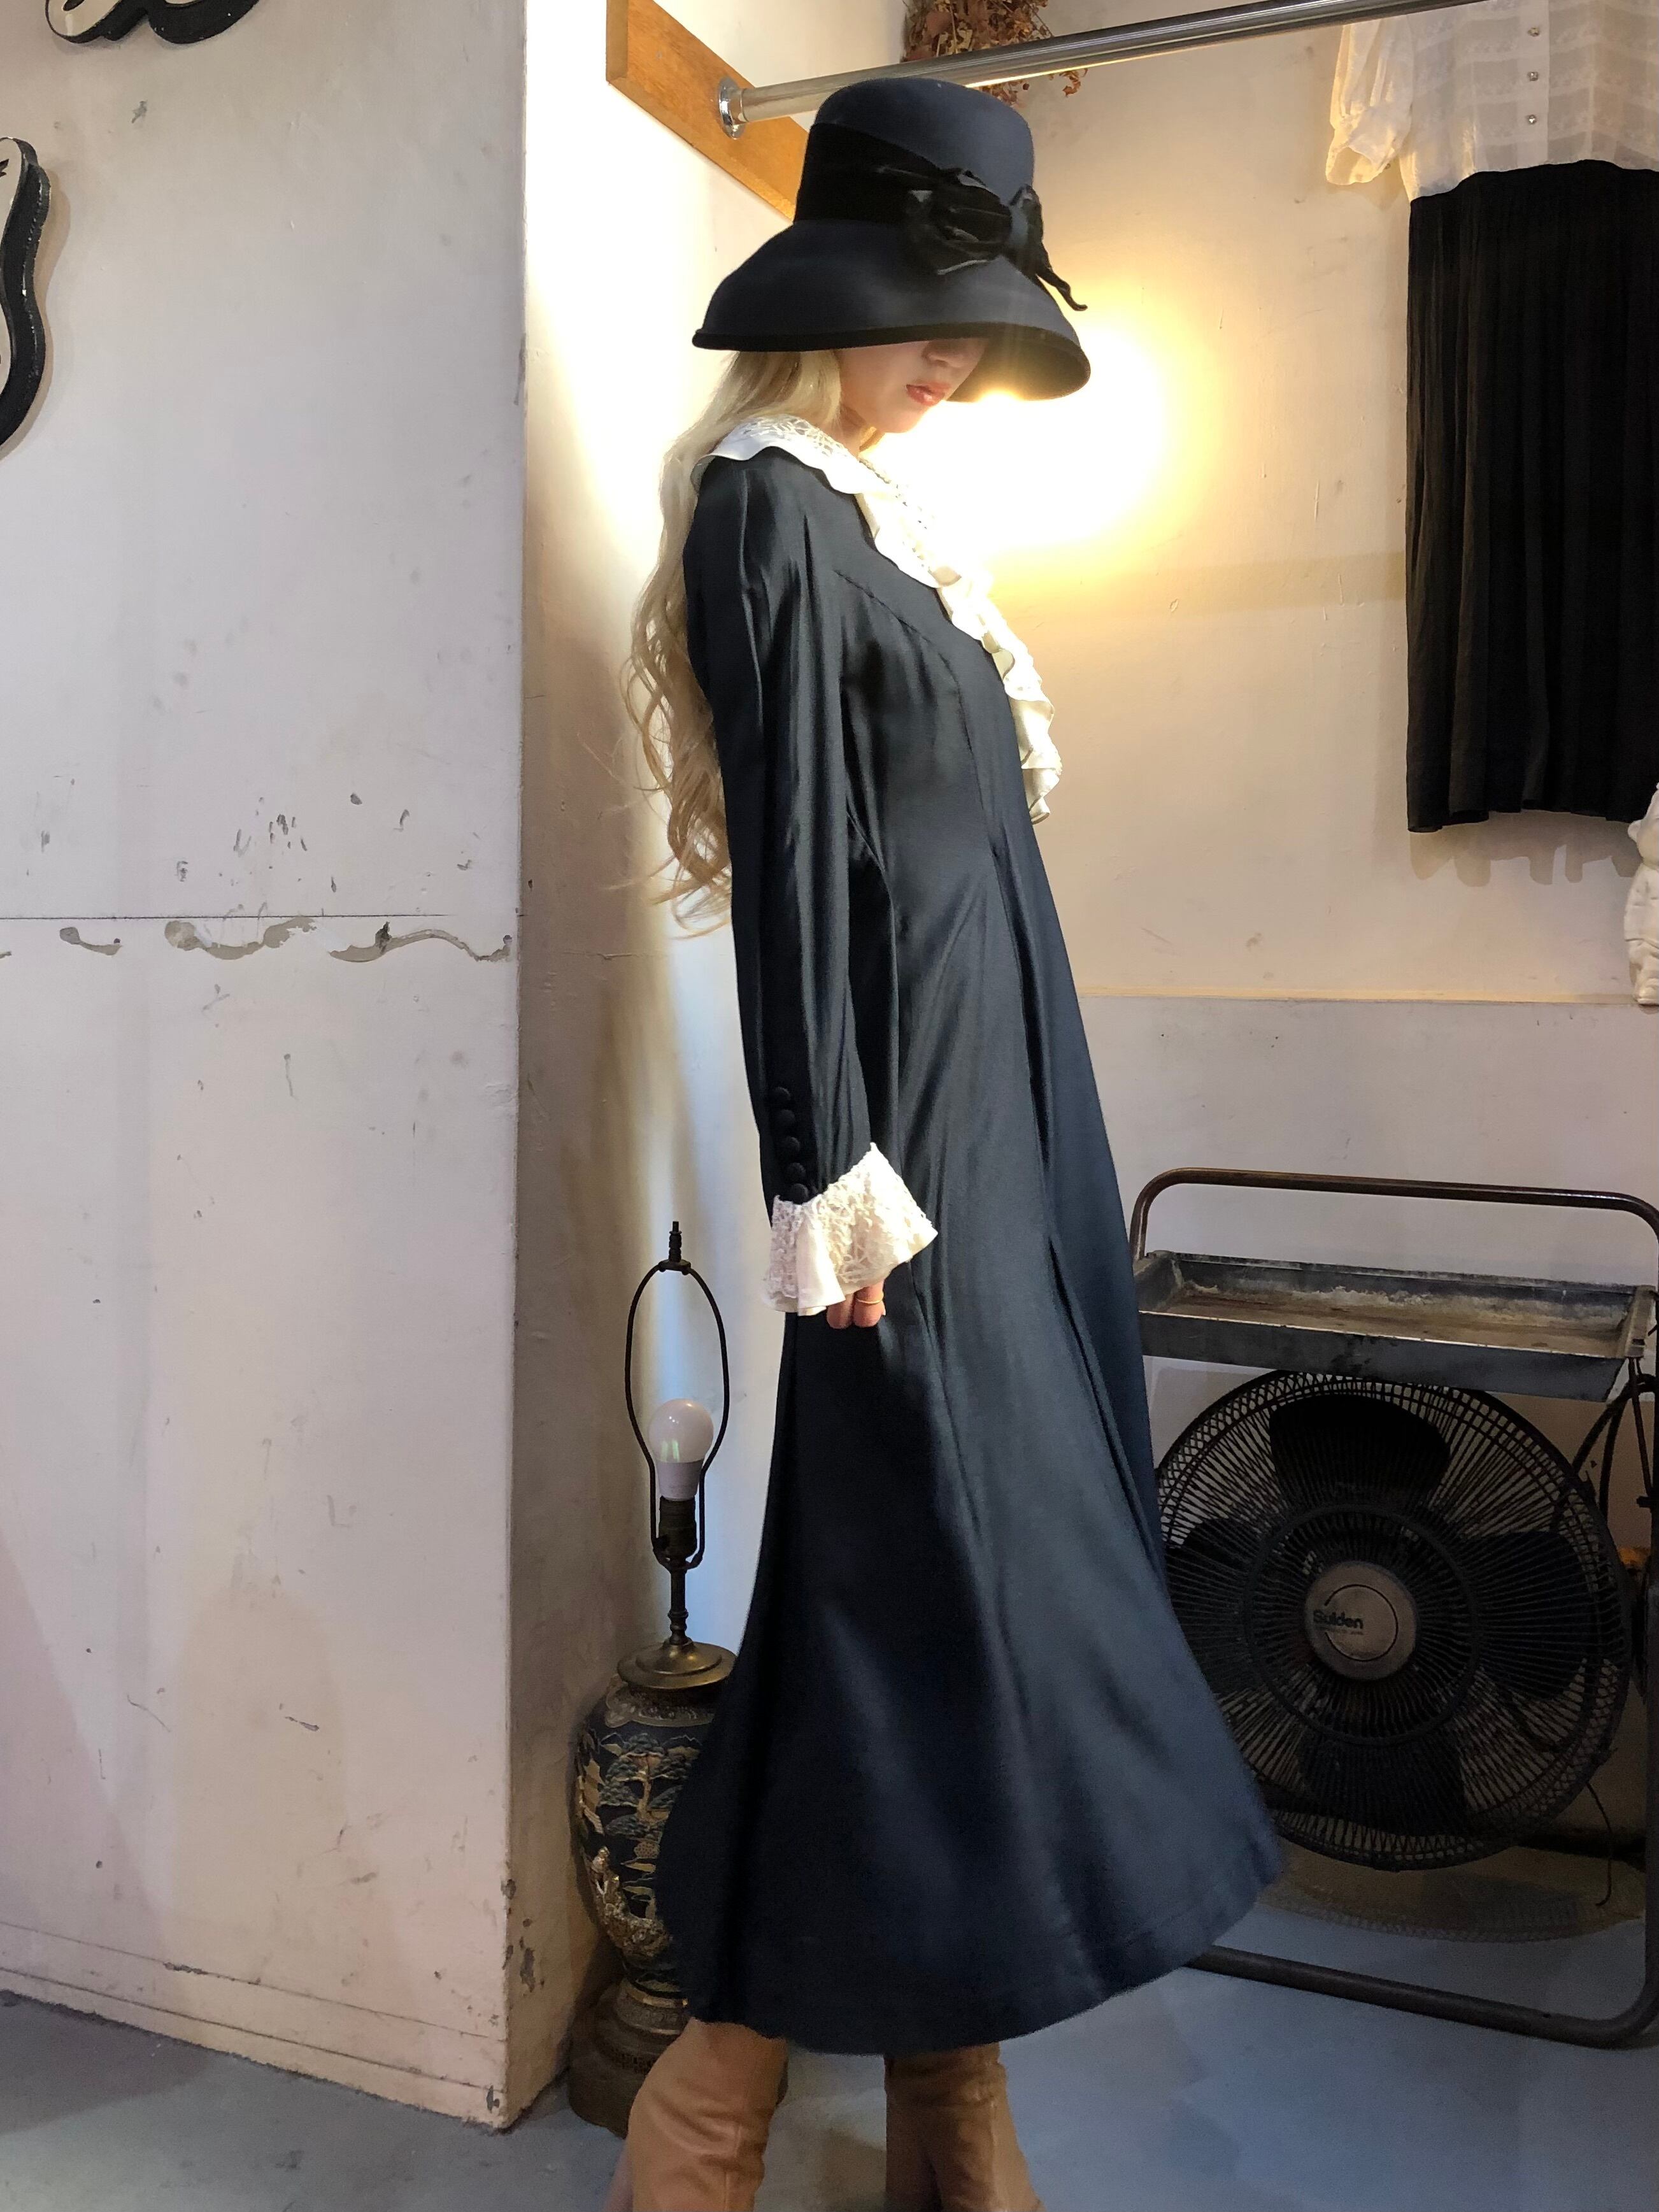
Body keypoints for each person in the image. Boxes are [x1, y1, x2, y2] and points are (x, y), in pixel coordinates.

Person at [611, 78, 1282, 2212]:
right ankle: (729, 2103)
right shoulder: (771, 510)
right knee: (916, 1588)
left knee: (940, 1590)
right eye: (937, 310)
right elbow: (801, 873)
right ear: (839, 286)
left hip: (1016, 1118)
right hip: (900, 1150)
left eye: (979, 325)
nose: (958, 360)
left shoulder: (890, 522)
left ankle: (940, 2097)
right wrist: (824, 1172)